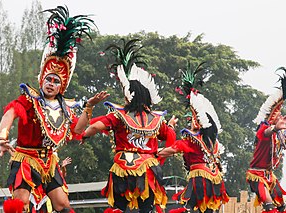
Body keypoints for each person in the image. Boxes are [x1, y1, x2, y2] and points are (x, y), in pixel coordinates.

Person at [0, 6, 109, 213]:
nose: (51, 83)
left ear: (61, 86)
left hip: (49, 160)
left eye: (56, 81)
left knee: (62, 205)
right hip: (26, 159)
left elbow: (78, 130)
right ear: (42, 79)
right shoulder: (30, 100)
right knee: (20, 205)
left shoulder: (66, 108)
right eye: (48, 78)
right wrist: (3, 136)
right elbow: (10, 113)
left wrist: (89, 107)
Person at [82, 39, 177, 213]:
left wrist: (85, 134)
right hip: (148, 168)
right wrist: (164, 140)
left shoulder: (119, 116)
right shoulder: (156, 120)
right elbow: (169, 139)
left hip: (123, 167)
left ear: (128, 95)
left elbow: (95, 127)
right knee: (146, 209)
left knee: (118, 208)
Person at [158, 62, 229, 213]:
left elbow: (169, 151)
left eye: (191, 120)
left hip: (200, 180)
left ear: (197, 122)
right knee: (205, 209)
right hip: (215, 179)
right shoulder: (213, 142)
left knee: (189, 208)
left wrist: (148, 154)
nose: (189, 123)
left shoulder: (191, 140)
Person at [246, 68, 286, 213]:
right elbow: (268, 131)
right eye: (278, 114)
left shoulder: (280, 133)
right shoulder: (263, 129)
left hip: (270, 175)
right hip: (256, 175)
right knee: (269, 205)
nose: (281, 116)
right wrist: (275, 128)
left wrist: (279, 129)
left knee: (282, 206)